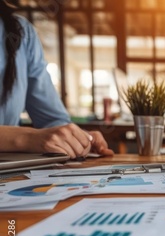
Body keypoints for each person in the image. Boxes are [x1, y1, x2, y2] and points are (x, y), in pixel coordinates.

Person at [0, 0, 113, 158]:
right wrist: (27, 138)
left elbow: (51, 120)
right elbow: (34, 137)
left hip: (12, 171)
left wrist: (76, 137)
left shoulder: (22, 32)